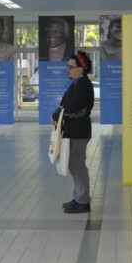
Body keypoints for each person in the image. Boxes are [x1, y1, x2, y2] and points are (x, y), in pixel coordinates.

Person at [52, 51, 95, 214]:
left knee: (77, 166)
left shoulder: (83, 85)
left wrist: (58, 114)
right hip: (73, 130)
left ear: (81, 68)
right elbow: (65, 104)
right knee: (74, 165)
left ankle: (83, 201)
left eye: (71, 67)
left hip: (78, 131)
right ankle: (78, 197)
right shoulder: (77, 83)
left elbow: (73, 107)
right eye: (67, 67)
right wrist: (57, 113)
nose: (68, 70)